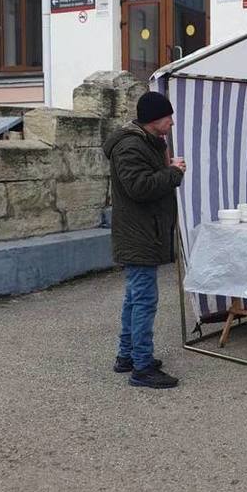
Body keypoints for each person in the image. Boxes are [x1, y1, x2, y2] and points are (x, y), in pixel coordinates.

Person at [102, 91, 186, 389]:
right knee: (144, 300)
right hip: (138, 234)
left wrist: (167, 167)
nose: (172, 122)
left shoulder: (149, 142)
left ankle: (127, 356)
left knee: (135, 298)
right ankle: (141, 367)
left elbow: (148, 178)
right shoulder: (129, 147)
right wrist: (173, 173)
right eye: (168, 117)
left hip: (144, 231)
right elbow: (139, 187)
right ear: (154, 120)